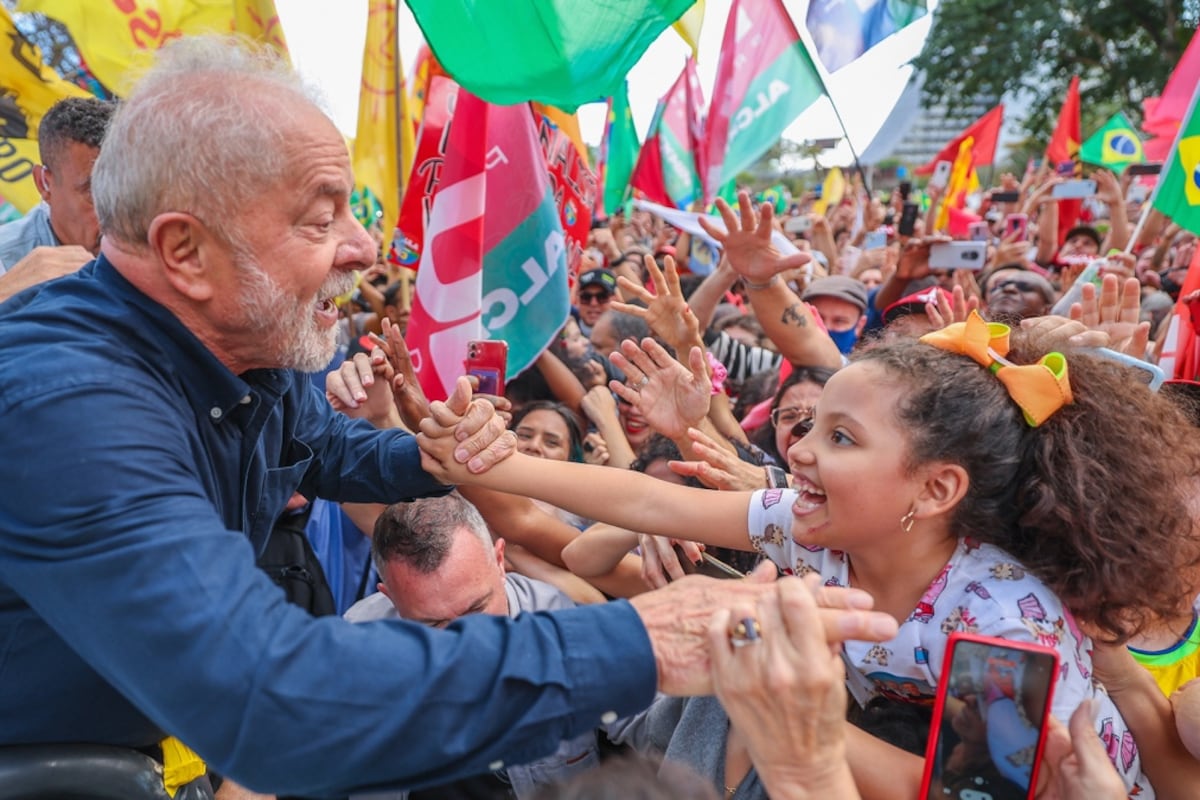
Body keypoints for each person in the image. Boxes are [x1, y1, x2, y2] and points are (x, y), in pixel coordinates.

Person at [0, 38, 903, 797]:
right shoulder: (71, 403)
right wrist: (645, 637)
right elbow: (272, 697)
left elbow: (326, 448)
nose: (362, 246)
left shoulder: (247, 354)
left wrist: (437, 457)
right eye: (322, 222)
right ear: (184, 252)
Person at [416, 321, 1200, 798]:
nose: (795, 450)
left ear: (935, 490)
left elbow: (967, 793)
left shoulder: (1005, 616)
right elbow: (655, 503)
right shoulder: (813, 526)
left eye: (841, 438)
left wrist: (785, 706)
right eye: (808, 427)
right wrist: (483, 466)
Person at [344, 492, 624, 799]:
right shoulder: (357, 643)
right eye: (434, 623)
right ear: (389, 596)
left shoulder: (565, 626)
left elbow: (657, 722)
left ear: (500, 560)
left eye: (475, 609)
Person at [0, 96, 115, 301]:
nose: (115, 212)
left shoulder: (153, 232)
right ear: (44, 183)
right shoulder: (7, 262)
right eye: (94, 192)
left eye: (123, 188)